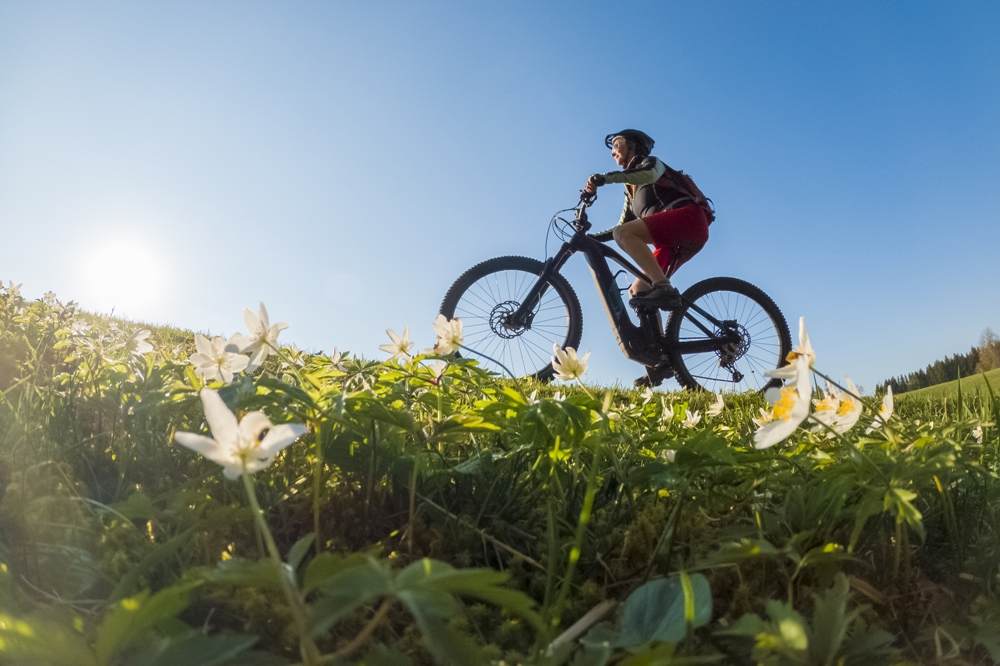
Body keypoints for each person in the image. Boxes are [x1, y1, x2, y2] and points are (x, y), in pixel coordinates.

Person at [584, 129, 710, 311]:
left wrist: (605, 179)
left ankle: (663, 287)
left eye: (617, 145)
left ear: (633, 145)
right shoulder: (631, 189)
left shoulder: (652, 164)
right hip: (672, 244)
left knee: (625, 235)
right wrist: (593, 239)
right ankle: (656, 339)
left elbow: (649, 174)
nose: (613, 152)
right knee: (638, 291)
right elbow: (622, 227)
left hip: (690, 219)